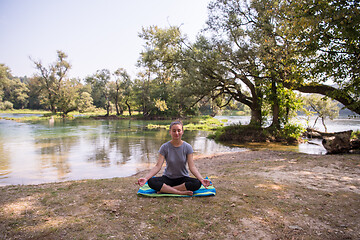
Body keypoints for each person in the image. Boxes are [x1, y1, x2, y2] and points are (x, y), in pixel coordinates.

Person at [137, 120, 211, 196]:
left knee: (197, 183)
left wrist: (201, 179)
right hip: (168, 178)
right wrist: (146, 178)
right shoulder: (164, 147)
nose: (176, 133)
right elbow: (157, 166)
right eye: (174, 131)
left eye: (179, 130)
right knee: (151, 181)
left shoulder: (187, 147)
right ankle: (180, 192)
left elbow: (192, 167)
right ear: (170, 132)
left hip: (183, 178)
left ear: (182, 132)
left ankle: (166, 190)